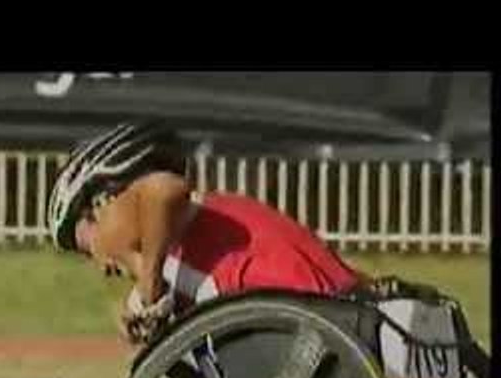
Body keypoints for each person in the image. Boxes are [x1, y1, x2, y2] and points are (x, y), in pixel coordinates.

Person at [48, 121, 369, 345]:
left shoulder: (185, 224)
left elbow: (163, 189)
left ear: (107, 201)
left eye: (85, 244)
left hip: (329, 328)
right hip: (340, 319)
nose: (101, 264)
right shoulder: (199, 227)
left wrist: (148, 287)